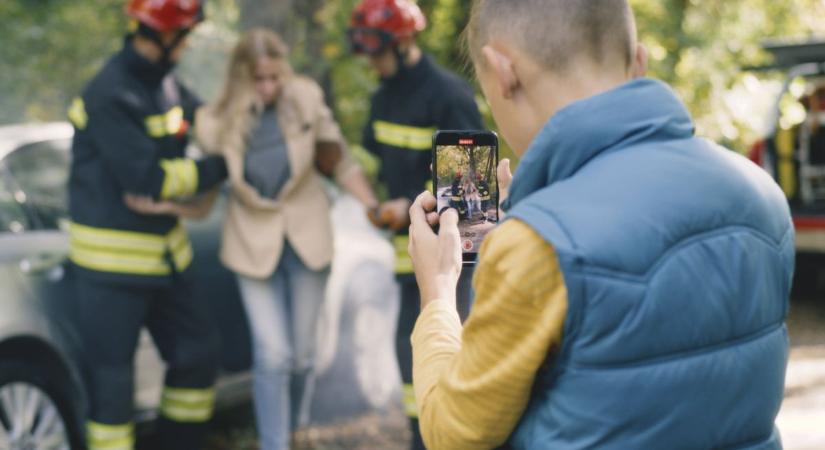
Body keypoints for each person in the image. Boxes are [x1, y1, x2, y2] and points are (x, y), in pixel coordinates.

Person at [407, 1, 794, 449]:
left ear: (502, 71)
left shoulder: (537, 245)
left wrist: (437, 292)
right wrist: (532, 217)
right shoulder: (758, 192)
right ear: (639, 62)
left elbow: (454, 434)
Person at [130, 28, 379, 450]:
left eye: (274, 77)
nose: (268, 88)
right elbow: (206, 191)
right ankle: (274, 443)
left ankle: (296, 427)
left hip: (306, 237)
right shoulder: (217, 119)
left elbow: (339, 161)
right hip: (251, 244)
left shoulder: (305, 98)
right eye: (258, 79)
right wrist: (162, 205)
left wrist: (373, 206)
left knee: (301, 356)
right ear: (242, 76)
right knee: (273, 355)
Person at [66, 1, 229, 449]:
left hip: (165, 258)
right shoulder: (110, 92)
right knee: (113, 383)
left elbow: (204, 116)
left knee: (197, 354)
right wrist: (218, 167)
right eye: (185, 34)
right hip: (111, 271)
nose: (189, 43)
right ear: (164, 35)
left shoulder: (165, 81)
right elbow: (148, 180)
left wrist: (232, 120)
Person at [347, 0, 484, 447]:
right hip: (406, 252)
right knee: (411, 351)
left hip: (452, 260)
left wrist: (408, 203)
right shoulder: (383, 96)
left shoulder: (449, 96)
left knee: (446, 346)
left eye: (376, 50)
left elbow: (474, 193)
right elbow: (374, 159)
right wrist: (370, 198)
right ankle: (419, 437)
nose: (370, 60)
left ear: (403, 40)